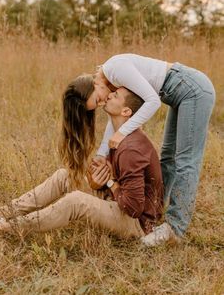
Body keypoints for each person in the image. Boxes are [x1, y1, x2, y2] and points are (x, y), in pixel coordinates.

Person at [58, 54, 215, 246]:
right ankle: (155, 212)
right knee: (167, 156)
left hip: (193, 90)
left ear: (96, 84)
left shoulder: (115, 69)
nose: (102, 103)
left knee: (185, 161)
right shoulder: (111, 81)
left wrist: (122, 132)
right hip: (179, 94)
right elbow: (114, 118)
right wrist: (101, 154)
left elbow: (153, 102)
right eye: (98, 105)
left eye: (98, 99)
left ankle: (175, 228)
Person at [0, 81, 163, 242]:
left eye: (116, 96)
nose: (109, 95)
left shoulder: (131, 148)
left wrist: (110, 182)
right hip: (116, 201)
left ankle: (2, 228)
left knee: (76, 201)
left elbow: (133, 208)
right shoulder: (119, 137)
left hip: (136, 223)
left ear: (126, 111)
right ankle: (0, 213)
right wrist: (99, 181)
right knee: (65, 176)